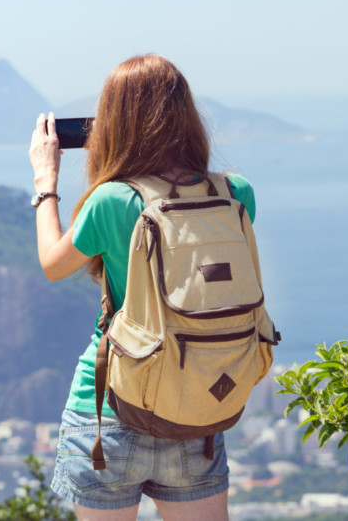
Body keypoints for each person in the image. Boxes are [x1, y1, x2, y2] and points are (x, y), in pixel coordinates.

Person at [27, 54, 255, 521]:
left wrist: (45, 181)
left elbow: (52, 264)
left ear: (113, 123)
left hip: (109, 407)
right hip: (196, 403)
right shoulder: (236, 194)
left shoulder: (112, 200)